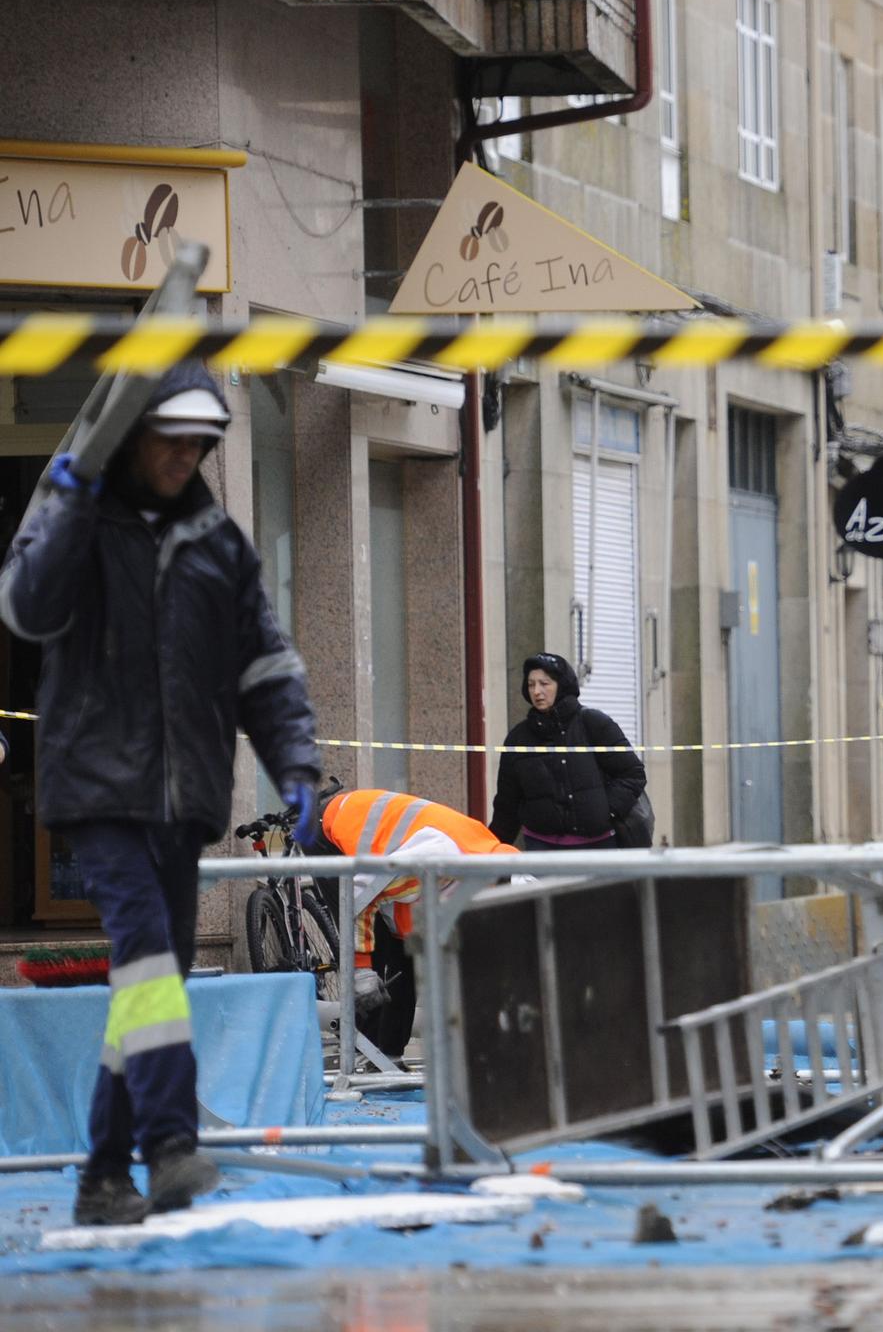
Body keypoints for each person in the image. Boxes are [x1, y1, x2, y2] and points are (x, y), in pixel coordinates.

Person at [0, 362, 320, 1226]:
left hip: (183, 799)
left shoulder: (219, 546)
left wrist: (295, 760)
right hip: (98, 790)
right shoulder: (82, 525)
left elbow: (265, 664)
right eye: (172, 438)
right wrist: (62, 501)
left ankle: (103, 1178)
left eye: (200, 442)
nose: (186, 456)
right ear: (134, 435)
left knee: (153, 981)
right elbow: (25, 610)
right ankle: (171, 1145)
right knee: (148, 959)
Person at [309, 787, 519, 1017]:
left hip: (380, 838)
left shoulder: (488, 857)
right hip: (331, 829)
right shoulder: (436, 862)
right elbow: (356, 896)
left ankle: (388, 1049)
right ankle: (360, 1042)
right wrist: (361, 968)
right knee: (372, 972)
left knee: (402, 953)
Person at [489, 653, 646, 851]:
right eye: (531, 684)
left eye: (544, 683)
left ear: (561, 685)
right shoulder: (518, 738)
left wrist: (605, 811)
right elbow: (507, 804)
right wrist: (491, 851)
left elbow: (633, 774)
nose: (537, 691)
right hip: (541, 849)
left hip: (598, 847)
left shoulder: (593, 723)